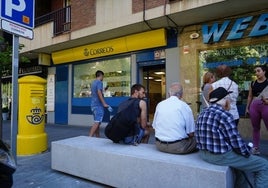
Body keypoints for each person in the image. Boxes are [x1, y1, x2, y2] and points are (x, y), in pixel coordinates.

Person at [196, 87, 268, 188]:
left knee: (240, 167)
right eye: (228, 98)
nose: (230, 101)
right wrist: (249, 151)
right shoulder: (225, 115)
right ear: (224, 100)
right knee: (264, 165)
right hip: (219, 156)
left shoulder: (202, 113)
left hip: (203, 154)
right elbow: (237, 144)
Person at [152, 82, 197, 154]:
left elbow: (154, 127)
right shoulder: (184, 106)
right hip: (178, 147)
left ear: (169, 94)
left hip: (159, 145)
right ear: (181, 95)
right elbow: (191, 133)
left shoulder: (160, 104)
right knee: (198, 139)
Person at [245, 65, 268, 155]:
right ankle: (255, 148)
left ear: (264, 71)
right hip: (254, 106)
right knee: (255, 128)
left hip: (265, 105)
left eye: (258, 71)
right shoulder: (253, 83)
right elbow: (250, 96)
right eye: (255, 71)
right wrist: (247, 107)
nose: (256, 73)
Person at [89, 70, 109, 137]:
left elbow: (96, 92)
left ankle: (97, 137)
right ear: (101, 76)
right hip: (98, 105)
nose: (103, 78)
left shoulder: (93, 83)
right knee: (97, 122)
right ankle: (89, 137)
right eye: (103, 76)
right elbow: (99, 93)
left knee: (97, 122)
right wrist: (104, 103)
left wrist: (104, 90)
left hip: (93, 105)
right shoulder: (99, 82)